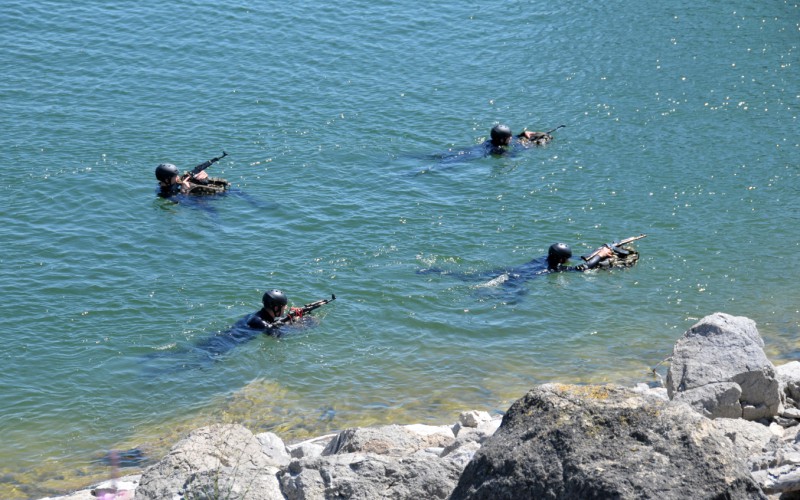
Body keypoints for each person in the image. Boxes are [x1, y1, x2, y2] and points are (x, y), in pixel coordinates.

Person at [155, 152, 230, 197]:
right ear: (166, 179)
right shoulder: (165, 194)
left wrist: (203, 177)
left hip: (223, 191)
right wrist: (184, 192)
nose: (178, 177)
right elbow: (185, 204)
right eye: (175, 176)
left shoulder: (176, 182)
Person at [484, 123, 555, 155]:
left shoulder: (492, 141)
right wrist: (531, 146)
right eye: (509, 137)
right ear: (502, 140)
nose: (511, 138)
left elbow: (513, 138)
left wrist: (522, 134)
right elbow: (512, 156)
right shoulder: (497, 150)